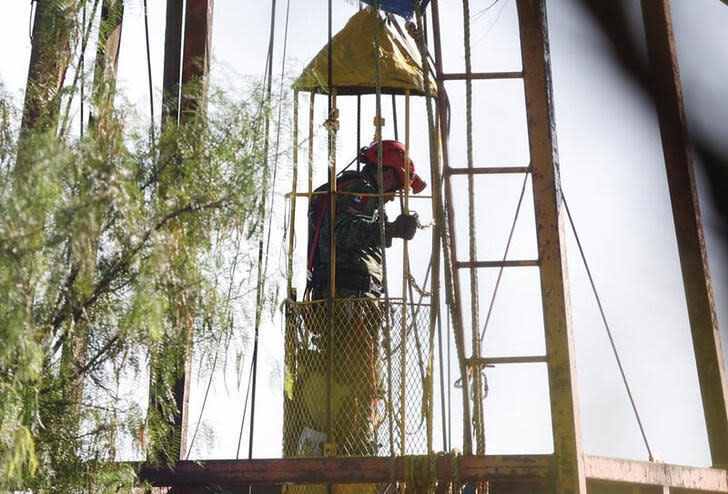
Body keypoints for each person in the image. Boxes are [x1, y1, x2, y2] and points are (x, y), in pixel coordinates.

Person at [307, 139, 427, 302]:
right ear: (388, 174)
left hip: (339, 297)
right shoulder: (362, 192)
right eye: (396, 188)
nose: (392, 197)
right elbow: (343, 233)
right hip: (349, 299)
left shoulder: (347, 188)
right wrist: (392, 230)